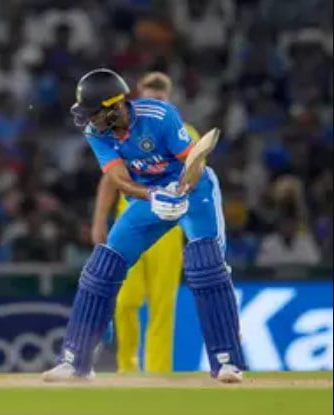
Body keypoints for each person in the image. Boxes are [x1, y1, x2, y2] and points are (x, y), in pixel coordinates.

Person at [43, 68, 244, 383]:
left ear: (114, 106)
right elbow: (119, 179)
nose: (89, 120)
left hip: (194, 190)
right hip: (150, 196)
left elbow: (195, 162)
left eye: (94, 113)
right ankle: (75, 361)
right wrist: (153, 195)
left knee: (207, 264)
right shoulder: (96, 132)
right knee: (102, 267)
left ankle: (226, 361)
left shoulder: (160, 115)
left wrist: (181, 191)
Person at [91, 72, 200, 373]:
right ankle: (127, 368)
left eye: (160, 100)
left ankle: (158, 372)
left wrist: (195, 230)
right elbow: (110, 178)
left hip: (168, 228)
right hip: (131, 222)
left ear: (169, 99)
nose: (155, 104)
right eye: (150, 98)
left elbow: (196, 179)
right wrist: (99, 219)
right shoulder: (120, 129)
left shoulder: (182, 129)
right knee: (125, 301)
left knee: (162, 305)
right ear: (138, 95)